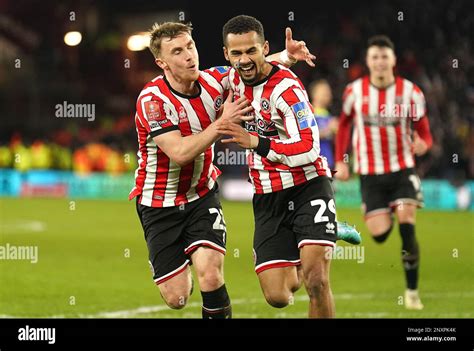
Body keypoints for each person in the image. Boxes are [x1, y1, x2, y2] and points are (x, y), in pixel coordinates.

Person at [129, 21, 316, 318]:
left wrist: (288, 56)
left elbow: (249, 67)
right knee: (176, 298)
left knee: (211, 275)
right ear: (161, 62)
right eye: (177, 51)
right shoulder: (153, 101)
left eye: (190, 46)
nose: (189, 55)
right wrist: (221, 124)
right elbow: (179, 153)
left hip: (202, 195)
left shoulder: (214, 82)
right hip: (158, 203)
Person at [216, 15, 359, 318]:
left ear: (264, 47)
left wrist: (256, 142)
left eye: (252, 51)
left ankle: (318, 233)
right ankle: (324, 234)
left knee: (316, 280)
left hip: (308, 185)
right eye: (236, 53)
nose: (244, 59)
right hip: (269, 195)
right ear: (227, 55)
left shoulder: (287, 89)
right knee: (277, 296)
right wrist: (285, 55)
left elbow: (309, 148)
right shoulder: (230, 79)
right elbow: (194, 79)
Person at [334, 35, 433, 310]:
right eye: (374, 57)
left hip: (402, 169)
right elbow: (343, 126)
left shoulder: (411, 92)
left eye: (384, 57)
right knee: (378, 234)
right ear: (368, 61)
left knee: (407, 224)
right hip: (370, 173)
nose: (379, 62)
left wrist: (424, 144)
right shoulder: (354, 91)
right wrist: (343, 161)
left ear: (393, 60)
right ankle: (385, 211)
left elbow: (425, 132)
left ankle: (412, 292)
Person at [309, 79, 338, 168]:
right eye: (324, 91)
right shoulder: (309, 113)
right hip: (314, 164)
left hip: (329, 163)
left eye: (329, 91)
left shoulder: (329, 116)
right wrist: (329, 129)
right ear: (315, 94)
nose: (328, 94)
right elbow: (308, 135)